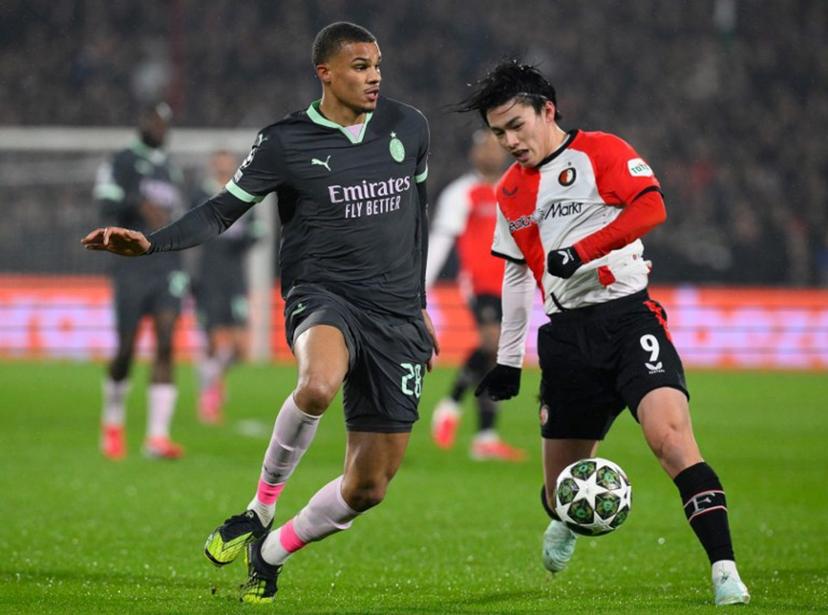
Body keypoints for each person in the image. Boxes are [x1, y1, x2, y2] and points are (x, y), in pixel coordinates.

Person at [82, 22, 437, 604]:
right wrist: (151, 242)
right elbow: (222, 210)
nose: (374, 76)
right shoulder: (285, 142)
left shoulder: (409, 126)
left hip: (396, 312)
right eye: (359, 66)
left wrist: (418, 305)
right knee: (318, 385)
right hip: (325, 295)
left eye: (377, 64)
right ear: (325, 72)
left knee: (369, 486)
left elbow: (415, 219)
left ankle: (270, 553)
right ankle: (260, 508)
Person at [464, 61, 750, 606]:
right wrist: (506, 358)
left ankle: (724, 569)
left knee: (671, 439)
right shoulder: (510, 192)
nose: (509, 141)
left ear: (547, 110)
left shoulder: (602, 151)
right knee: (557, 490)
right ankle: (567, 520)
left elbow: (652, 207)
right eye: (499, 132)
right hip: (567, 339)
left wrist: (583, 251)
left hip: (628, 321)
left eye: (517, 125)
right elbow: (517, 273)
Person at [92, 101, 187, 461]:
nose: (160, 128)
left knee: (165, 342)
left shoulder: (171, 170)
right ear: (142, 122)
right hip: (130, 265)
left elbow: (178, 218)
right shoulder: (121, 161)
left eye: (165, 123)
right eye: (154, 121)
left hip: (166, 265)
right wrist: (137, 204)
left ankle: (157, 437)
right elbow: (104, 203)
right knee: (127, 348)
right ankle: (113, 418)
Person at [425, 130, 525, 461]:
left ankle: (484, 436)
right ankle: (452, 405)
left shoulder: (518, 187)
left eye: (498, 147)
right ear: (473, 153)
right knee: (492, 343)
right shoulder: (461, 192)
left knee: (496, 356)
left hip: (511, 284)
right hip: (479, 283)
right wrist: (420, 287)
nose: (493, 153)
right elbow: (442, 239)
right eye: (486, 146)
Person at [190, 150, 263, 424]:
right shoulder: (200, 195)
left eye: (228, 164)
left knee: (241, 346)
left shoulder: (243, 194)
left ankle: (214, 380)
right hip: (208, 276)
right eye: (219, 164)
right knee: (212, 339)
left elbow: (254, 231)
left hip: (235, 277)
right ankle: (208, 396)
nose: (224, 168)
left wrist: (253, 236)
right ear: (213, 166)